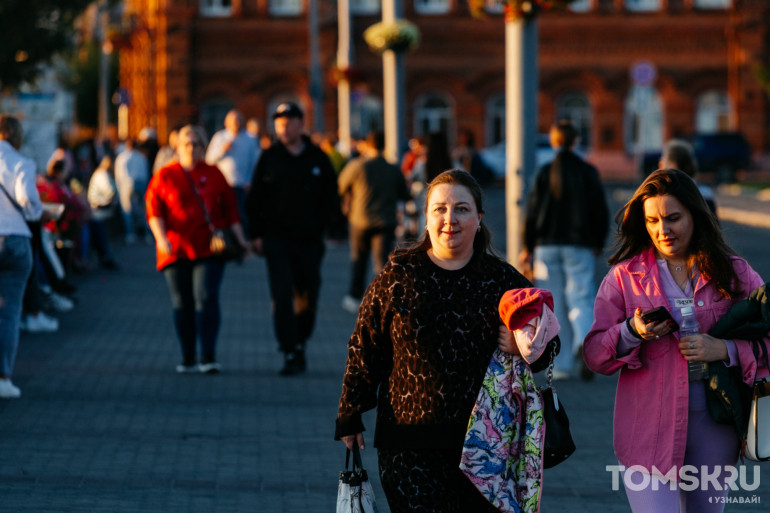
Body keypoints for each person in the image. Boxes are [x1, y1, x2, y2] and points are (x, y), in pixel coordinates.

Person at [335, 169, 558, 512]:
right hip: (409, 444)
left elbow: (550, 341)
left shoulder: (501, 280)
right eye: (439, 209)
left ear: (479, 219)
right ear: (426, 217)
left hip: (487, 447)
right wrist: (350, 413)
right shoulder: (399, 275)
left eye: (461, 209)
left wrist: (522, 347)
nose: (449, 219)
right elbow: (365, 346)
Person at [583, 168, 769, 512]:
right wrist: (631, 331)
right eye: (652, 220)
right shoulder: (624, 277)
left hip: (715, 426)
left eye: (673, 218)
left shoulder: (734, 271)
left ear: (696, 216)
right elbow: (594, 355)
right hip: (646, 430)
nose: (662, 230)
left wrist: (724, 349)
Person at [244, 102, 340, 376]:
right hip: (277, 239)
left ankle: (301, 340)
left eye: (289, 121)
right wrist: (256, 235)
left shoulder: (317, 158)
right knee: (282, 295)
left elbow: (331, 196)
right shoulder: (269, 157)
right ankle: (289, 349)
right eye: (279, 122)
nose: (284, 127)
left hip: (309, 240)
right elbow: (256, 200)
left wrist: (330, 228)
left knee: (308, 296)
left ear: (300, 123)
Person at [146, 125, 250, 374]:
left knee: (206, 296)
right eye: (187, 144)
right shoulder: (165, 175)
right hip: (175, 248)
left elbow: (231, 211)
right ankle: (188, 356)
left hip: (210, 248)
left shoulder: (215, 174)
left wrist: (241, 241)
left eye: (197, 144)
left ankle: (208, 355)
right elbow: (154, 210)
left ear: (204, 148)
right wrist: (161, 238)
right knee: (182, 302)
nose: (192, 148)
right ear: (178, 147)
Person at [519, 119, 609, 380]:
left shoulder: (545, 171)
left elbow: (532, 211)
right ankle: (584, 343)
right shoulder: (587, 171)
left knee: (553, 305)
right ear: (576, 141)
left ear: (553, 141)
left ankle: (561, 365)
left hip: (546, 245)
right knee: (581, 297)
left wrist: (528, 245)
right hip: (580, 245)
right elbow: (599, 209)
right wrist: (597, 241)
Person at [337, 131, 410, 314]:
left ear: (368, 145)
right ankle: (383, 300)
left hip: (360, 220)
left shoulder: (357, 166)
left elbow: (340, 185)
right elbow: (404, 194)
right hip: (385, 221)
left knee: (358, 260)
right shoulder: (392, 168)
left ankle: (354, 297)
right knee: (382, 264)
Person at [0, 115, 43, 398]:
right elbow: (26, 197)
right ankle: (3, 378)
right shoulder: (20, 162)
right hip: (14, 238)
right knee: (9, 313)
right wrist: (37, 212)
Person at [205, 109, 260, 228]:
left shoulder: (250, 139)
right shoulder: (220, 138)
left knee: (241, 217)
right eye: (234, 121)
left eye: (238, 120)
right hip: (222, 186)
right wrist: (222, 150)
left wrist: (250, 181)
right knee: (223, 217)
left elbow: (255, 162)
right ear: (226, 123)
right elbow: (209, 160)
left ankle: (243, 242)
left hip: (242, 187)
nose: (236, 124)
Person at [659, 139, 718, 219]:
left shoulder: (664, 195)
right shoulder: (706, 193)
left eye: (663, 160)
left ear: (672, 164)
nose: (660, 164)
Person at [115, 138, 150, 244]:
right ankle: (147, 234)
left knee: (127, 210)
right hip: (141, 182)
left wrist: (119, 188)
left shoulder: (122, 157)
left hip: (127, 183)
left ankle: (130, 234)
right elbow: (145, 172)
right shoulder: (141, 157)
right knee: (143, 209)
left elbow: (119, 174)